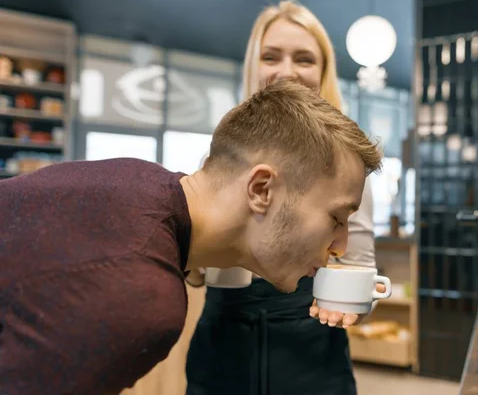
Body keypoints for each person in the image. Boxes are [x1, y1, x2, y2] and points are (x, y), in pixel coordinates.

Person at [0, 80, 382, 395]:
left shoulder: (136, 178)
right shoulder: (142, 297)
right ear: (262, 189)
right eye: (336, 217)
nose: (341, 246)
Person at [185, 1, 380, 395]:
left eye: (304, 59)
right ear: (253, 66)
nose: (286, 70)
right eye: (271, 56)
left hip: (309, 350)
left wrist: (348, 305)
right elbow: (195, 265)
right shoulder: (217, 159)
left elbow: (360, 267)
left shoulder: (349, 172)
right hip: (222, 346)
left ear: (324, 71)